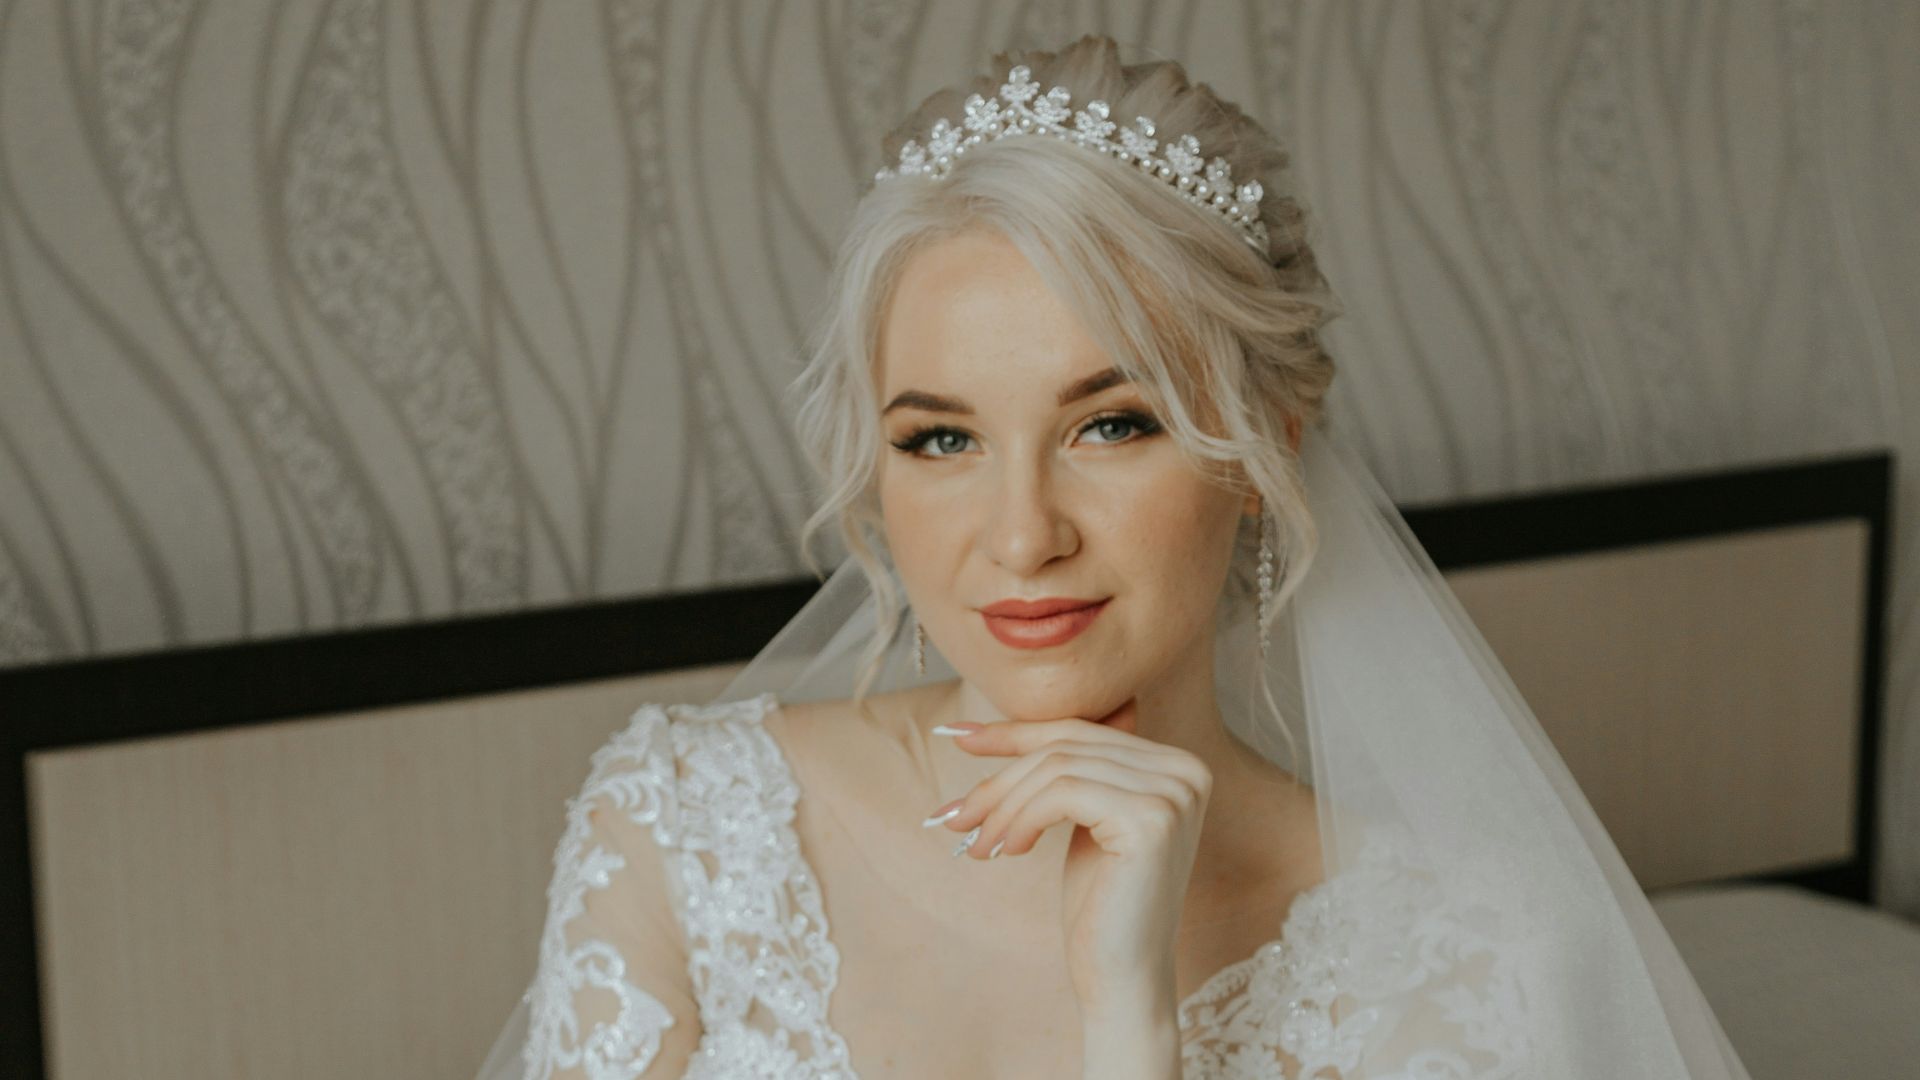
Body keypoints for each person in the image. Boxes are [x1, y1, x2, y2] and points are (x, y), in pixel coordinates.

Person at [478, 34, 1754, 1079]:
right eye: (941, 441)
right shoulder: (684, 830)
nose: (1024, 534)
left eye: (1112, 423)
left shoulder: (1475, 957)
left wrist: (1131, 1020)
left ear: (1262, 454)